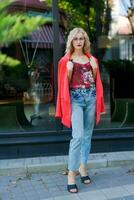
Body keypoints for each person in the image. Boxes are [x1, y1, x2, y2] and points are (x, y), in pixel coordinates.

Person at [55, 27, 105, 193]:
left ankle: (83, 167)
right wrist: (69, 71)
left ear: (85, 41)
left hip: (90, 97)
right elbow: (64, 86)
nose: (78, 41)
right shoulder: (65, 61)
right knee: (77, 136)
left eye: (81, 38)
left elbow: (95, 81)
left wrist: (95, 68)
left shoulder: (92, 59)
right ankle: (71, 174)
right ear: (71, 41)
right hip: (75, 99)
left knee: (87, 135)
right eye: (75, 38)